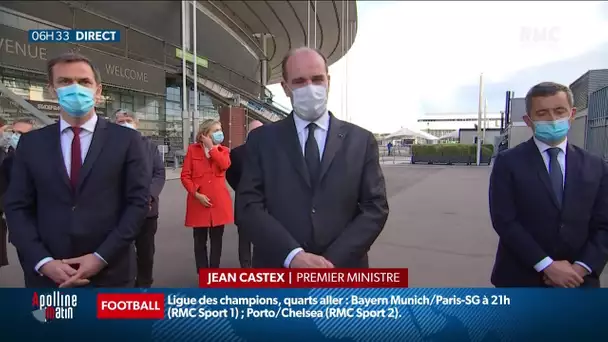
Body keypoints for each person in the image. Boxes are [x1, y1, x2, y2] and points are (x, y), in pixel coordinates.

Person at [4, 52, 151, 288]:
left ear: (98, 90)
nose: (75, 88)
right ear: (52, 90)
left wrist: (100, 257)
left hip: (110, 272)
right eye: (64, 82)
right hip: (48, 276)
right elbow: (17, 206)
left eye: (84, 82)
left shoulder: (127, 141)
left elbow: (137, 204)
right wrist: (43, 261)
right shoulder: (31, 144)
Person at [236, 47, 389, 269]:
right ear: (285, 87)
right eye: (299, 81)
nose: (310, 88)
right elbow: (248, 206)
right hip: (279, 270)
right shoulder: (261, 141)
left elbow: (375, 207)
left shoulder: (361, 141)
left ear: (328, 81)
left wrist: (329, 263)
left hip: (343, 273)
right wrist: (293, 256)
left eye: (317, 79)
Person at [489, 82, 608, 288]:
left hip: (579, 281)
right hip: (520, 280)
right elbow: (505, 221)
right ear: (529, 120)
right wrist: (547, 266)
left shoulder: (596, 165)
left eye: (559, 111)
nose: (552, 119)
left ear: (571, 114)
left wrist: (580, 268)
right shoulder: (508, 162)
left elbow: (604, 225)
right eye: (542, 113)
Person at [115, 109, 166, 288]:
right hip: (118, 211)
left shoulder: (149, 146)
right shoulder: (108, 146)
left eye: (128, 120)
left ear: (136, 123)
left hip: (147, 210)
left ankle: (144, 287)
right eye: (121, 120)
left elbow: (159, 173)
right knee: (119, 252)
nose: (125, 123)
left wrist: (149, 195)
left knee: (145, 253)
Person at [181, 119, 233, 271]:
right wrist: (196, 194)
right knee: (199, 241)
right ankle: (203, 273)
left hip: (218, 204)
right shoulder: (193, 150)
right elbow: (185, 175)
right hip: (199, 203)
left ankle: (213, 273)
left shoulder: (224, 151)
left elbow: (225, 165)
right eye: (215, 130)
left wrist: (212, 149)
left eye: (220, 129)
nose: (219, 133)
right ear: (205, 134)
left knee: (217, 242)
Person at [226, 119, 263, 268]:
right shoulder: (236, 153)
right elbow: (231, 175)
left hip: (266, 204)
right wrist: (241, 189)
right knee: (245, 240)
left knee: (264, 237)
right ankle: (246, 269)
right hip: (244, 204)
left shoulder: (271, 152)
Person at [0, 118, 35, 270]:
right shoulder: (8, 161)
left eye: (21, 133)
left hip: (46, 230)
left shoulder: (45, 161)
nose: (14, 136)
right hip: (20, 231)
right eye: (13, 132)